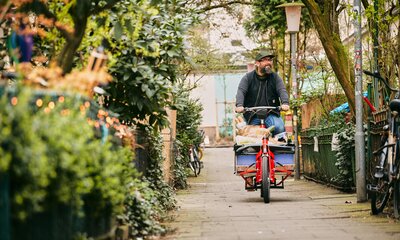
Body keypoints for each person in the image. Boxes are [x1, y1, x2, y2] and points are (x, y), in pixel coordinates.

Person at [235, 49, 290, 135]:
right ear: (257, 63)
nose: (268, 62)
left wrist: (285, 103)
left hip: (271, 114)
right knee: (250, 135)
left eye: (270, 60)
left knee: (279, 128)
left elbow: (282, 90)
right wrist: (239, 105)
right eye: (265, 60)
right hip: (252, 115)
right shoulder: (248, 78)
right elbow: (241, 91)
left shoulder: (275, 78)